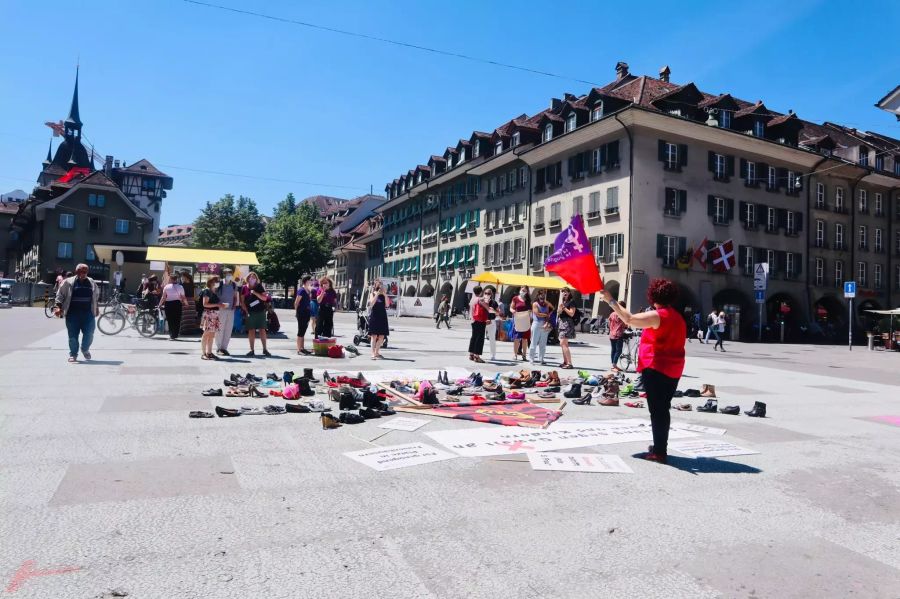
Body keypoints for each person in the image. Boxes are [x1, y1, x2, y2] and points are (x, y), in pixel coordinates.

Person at [600, 278, 685, 464]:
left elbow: (629, 319)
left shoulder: (658, 315)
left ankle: (660, 451)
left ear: (654, 295)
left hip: (657, 367)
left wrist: (610, 300)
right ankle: (659, 446)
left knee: (658, 410)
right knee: (663, 408)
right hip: (674, 368)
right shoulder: (677, 316)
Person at [54, 263, 100, 363]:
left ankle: (85, 348)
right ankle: (73, 354)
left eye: (85, 271)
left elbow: (96, 295)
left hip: (88, 313)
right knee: (73, 336)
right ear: (76, 271)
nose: (83, 273)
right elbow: (60, 295)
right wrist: (58, 307)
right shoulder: (68, 282)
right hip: (72, 314)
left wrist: (97, 308)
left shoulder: (91, 282)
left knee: (90, 334)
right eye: (80, 271)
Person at [241, 271, 271, 357]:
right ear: (247, 278)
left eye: (254, 277)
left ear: (256, 279)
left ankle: (265, 349)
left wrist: (255, 293)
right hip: (250, 312)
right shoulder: (244, 288)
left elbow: (265, 298)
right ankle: (251, 350)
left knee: (262, 330)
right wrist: (246, 311)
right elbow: (242, 301)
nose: (252, 278)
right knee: (251, 330)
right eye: (251, 277)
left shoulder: (259, 286)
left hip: (260, 311)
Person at [200, 275, 228, 361]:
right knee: (206, 334)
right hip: (209, 314)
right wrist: (218, 304)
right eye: (216, 281)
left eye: (218, 281)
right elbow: (205, 304)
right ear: (211, 282)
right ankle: (203, 353)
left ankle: (209, 352)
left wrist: (221, 305)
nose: (218, 283)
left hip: (214, 314)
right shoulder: (207, 291)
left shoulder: (213, 291)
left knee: (211, 335)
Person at [213, 268, 238, 355]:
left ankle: (224, 348)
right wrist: (220, 304)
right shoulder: (219, 283)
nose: (229, 275)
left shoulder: (234, 285)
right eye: (227, 274)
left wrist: (234, 305)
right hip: (221, 309)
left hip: (230, 310)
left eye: (230, 274)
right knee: (220, 328)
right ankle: (219, 348)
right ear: (224, 275)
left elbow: (235, 296)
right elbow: (214, 294)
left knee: (228, 329)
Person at [468, 286, 493, 363]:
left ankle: (471, 354)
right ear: (481, 291)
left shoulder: (472, 299)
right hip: (480, 320)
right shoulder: (480, 299)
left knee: (474, 337)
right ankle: (477, 356)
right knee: (480, 338)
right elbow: (488, 308)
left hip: (473, 320)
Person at [159, 273, 188, 340]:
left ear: (171, 279)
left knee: (170, 319)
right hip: (177, 304)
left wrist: (159, 304)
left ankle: (171, 334)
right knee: (177, 319)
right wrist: (186, 304)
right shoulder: (180, 287)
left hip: (168, 304)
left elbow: (163, 297)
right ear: (176, 279)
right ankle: (176, 334)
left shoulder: (166, 287)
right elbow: (183, 297)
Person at [529, 290, 554, 365]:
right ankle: (531, 359)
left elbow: (552, 309)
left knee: (543, 343)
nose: (543, 296)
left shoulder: (546, 304)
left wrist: (546, 322)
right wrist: (546, 315)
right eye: (541, 294)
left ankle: (541, 359)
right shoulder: (535, 304)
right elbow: (537, 314)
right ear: (538, 295)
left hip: (544, 324)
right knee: (534, 342)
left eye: (544, 294)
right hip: (536, 323)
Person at [367, 279, 390, 359]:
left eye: (381, 284)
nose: (379, 285)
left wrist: (385, 294)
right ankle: (373, 353)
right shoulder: (372, 294)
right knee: (374, 336)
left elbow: (387, 305)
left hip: (382, 316)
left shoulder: (383, 295)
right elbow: (371, 304)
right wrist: (377, 294)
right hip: (375, 316)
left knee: (381, 336)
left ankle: (377, 352)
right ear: (375, 285)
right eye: (378, 284)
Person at [510, 286, 532, 361]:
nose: (523, 292)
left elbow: (530, 309)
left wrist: (530, 311)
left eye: (525, 291)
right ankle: (515, 354)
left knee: (525, 339)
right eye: (522, 290)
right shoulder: (515, 298)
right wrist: (512, 311)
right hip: (517, 320)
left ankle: (524, 355)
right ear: (520, 290)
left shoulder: (528, 299)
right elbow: (511, 308)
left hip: (525, 320)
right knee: (516, 338)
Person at [557, 287, 577, 369]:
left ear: (569, 293)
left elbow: (572, 313)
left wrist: (564, 308)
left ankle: (569, 363)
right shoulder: (563, 302)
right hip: (562, 323)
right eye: (563, 292)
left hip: (567, 323)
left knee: (563, 343)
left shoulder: (571, 302)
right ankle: (565, 362)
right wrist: (560, 308)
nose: (565, 293)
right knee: (563, 344)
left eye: (566, 292)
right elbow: (558, 313)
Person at [294, 275, 313, 355]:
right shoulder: (301, 290)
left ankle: (302, 348)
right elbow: (296, 302)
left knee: (303, 331)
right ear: (306, 281)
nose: (311, 282)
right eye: (310, 280)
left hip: (306, 313)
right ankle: (299, 349)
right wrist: (297, 312)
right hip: (301, 313)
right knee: (300, 331)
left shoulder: (307, 290)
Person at [483, 287, 501, 361]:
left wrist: (493, 311)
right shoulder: (481, 301)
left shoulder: (494, 302)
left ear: (491, 294)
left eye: (489, 293)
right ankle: (477, 353)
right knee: (480, 338)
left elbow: (498, 312)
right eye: (486, 293)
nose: (487, 294)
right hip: (482, 321)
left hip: (491, 321)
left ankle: (493, 355)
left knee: (492, 339)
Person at [608, 301, 626, 371]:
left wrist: (612, 329)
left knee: (613, 350)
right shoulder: (621, 314)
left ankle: (613, 365)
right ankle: (614, 365)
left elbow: (609, 324)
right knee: (618, 351)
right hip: (618, 334)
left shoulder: (612, 314)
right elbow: (625, 325)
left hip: (612, 334)